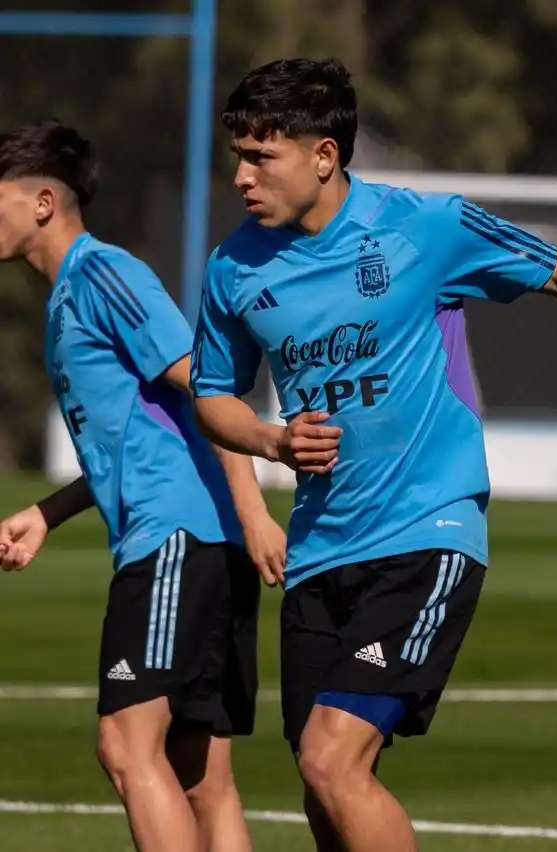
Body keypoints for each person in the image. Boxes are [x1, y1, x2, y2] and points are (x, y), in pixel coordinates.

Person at [190, 57, 557, 852]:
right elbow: (213, 392)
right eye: (237, 156)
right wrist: (271, 440)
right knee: (324, 786)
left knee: (329, 758)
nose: (242, 177)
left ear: (324, 155)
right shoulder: (232, 268)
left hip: (425, 529)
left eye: (261, 157)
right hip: (320, 549)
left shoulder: (424, 227)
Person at [0, 120, 288, 852]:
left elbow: (207, 389)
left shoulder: (102, 275)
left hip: (177, 541)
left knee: (127, 747)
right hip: (195, 543)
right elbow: (133, 439)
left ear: (42, 203)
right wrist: (50, 512)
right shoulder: (68, 299)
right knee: (200, 777)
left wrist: (254, 512)